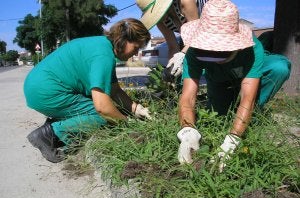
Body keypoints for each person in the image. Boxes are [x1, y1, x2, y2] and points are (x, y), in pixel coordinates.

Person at [176, 0, 291, 171]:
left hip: (247, 78)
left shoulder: (252, 49)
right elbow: (188, 96)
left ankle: (253, 116)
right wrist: (187, 131)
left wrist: (233, 138)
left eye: (220, 52)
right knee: (219, 119)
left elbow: (247, 97)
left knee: (279, 67)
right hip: (219, 81)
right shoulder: (194, 51)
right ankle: (230, 113)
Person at [24, 18, 152, 163]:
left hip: (39, 86)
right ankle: (50, 133)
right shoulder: (104, 56)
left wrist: (136, 109)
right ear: (123, 40)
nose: (135, 54)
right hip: (46, 90)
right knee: (104, 117)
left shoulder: (103, 46)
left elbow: (115, 91)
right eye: (135, 48)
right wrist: (127, 123)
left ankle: (61, 130)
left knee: (110, 112)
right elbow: (102, 109)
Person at [136, 0, 209, 76]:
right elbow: (172, 46)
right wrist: (170, 67)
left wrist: (182, 54)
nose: (157, 16)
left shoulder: (185, 2)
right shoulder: (160, 21)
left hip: (213, 27)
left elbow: (196, 34)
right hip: (193, 38)